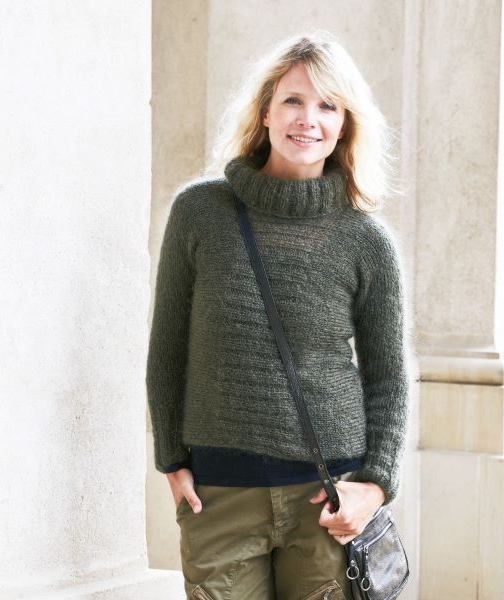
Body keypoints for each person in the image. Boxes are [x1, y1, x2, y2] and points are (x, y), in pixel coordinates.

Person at [146, 32, 410, 600]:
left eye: (328, 105)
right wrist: (171, 457)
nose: (307, 119)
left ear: (344, 125)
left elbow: (389, 375)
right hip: (219, 494)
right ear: (265, 110)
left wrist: (375, 486)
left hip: (328, 498)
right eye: (293, 100)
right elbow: (168, 347)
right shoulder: (200, 212)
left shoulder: (367, 241)